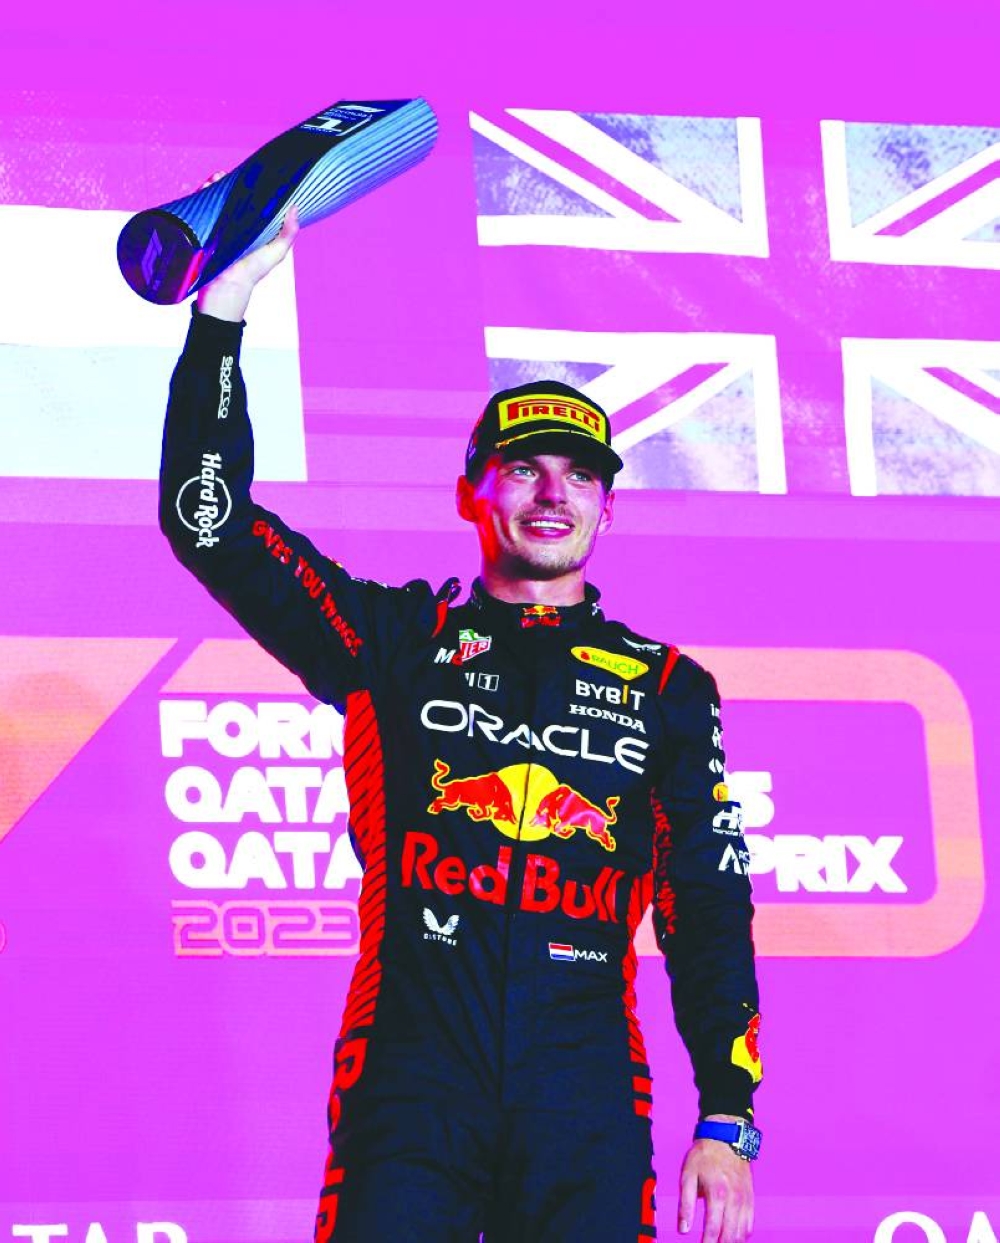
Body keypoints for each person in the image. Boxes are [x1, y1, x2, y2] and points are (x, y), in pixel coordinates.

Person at [159, 205, 763, 1243]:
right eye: (523, 467)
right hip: (409, 1084)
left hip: (583, 1100)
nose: (550, 495)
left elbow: (705, 909)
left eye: (580, 475)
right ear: (471, 491)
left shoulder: (667, 685)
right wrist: (223, 312)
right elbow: (207, 524)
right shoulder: (393, 641)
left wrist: (729, 1115)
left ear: (607, 509)